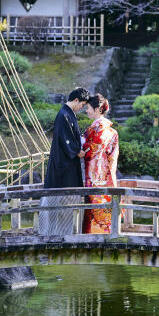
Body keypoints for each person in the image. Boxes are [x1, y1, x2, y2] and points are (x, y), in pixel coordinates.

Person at [40, 87, 89, 236]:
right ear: (75, 100)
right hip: (63, 165)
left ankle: (64, 232)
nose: (82, 108)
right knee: (62, 199)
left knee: (65, 201)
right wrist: (77, 151)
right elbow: (65, 139)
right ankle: (58, 234)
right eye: (82, 104)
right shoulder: (64, 115)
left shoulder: (68, 114)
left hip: (67, 164)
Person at [81, 93, 120, 234]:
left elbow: (85, 151)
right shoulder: (112, 132)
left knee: (93, 209)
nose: (86, 111)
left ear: (97, 109)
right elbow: (113, 156)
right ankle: (108, 235)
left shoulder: (92, 131)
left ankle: (93, 240)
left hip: (93, 176)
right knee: (105, 207)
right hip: (107, 176)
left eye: (88, 108)